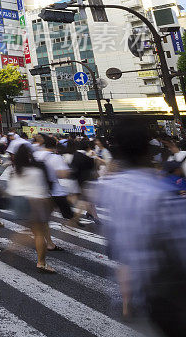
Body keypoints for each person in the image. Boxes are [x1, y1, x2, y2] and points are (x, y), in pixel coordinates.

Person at [98, 120, 186, 334]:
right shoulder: (157, 191)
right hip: (173, 287)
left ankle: (127, 305)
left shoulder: (109, 186)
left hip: (148, 290)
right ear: (148, 148)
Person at [7, 143, 55, 273]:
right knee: (39, 233)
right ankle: (41, 263)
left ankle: (15, 244)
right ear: (30, 155)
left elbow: (11, 190)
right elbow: (42, 191)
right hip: (35, 202)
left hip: (19, 202)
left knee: (31, 229)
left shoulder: (14, 171)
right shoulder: (36, 171)